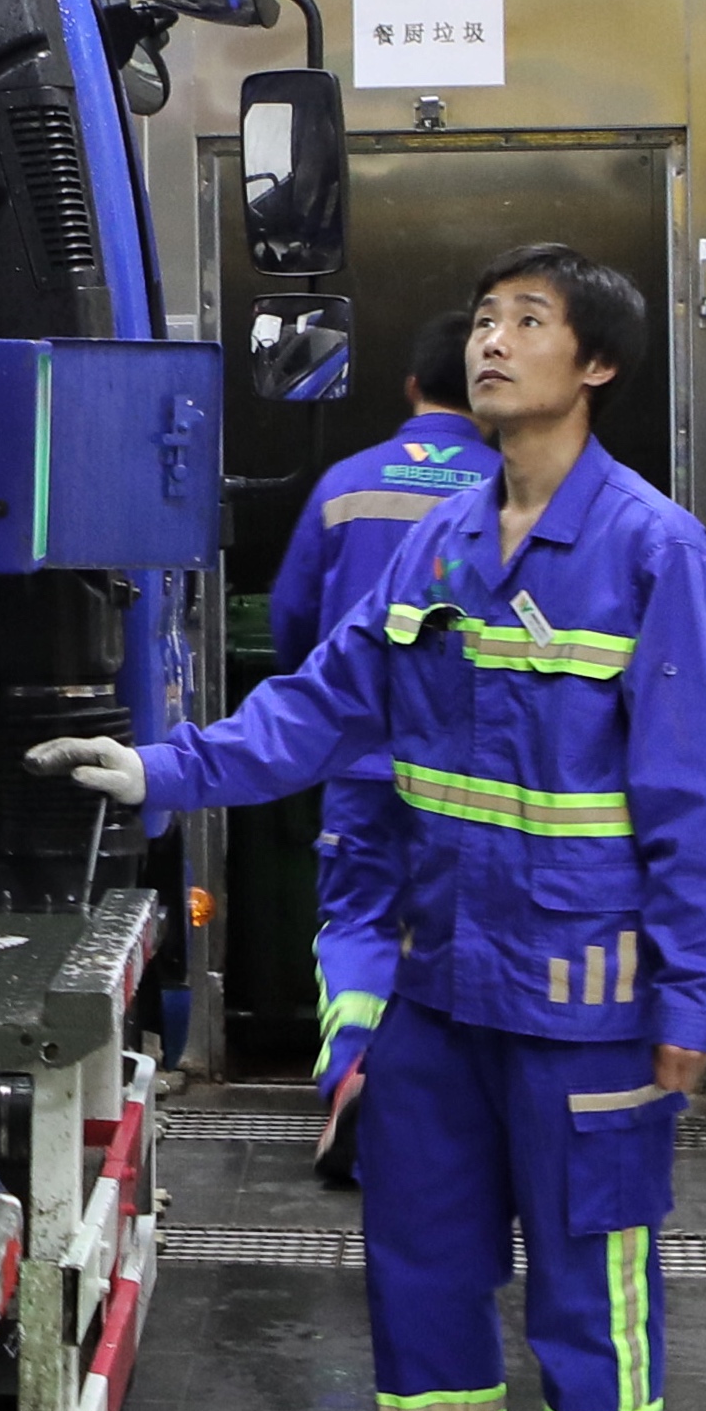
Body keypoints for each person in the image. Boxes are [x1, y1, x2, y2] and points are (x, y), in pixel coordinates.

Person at [32, 241, 706, 1411]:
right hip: (436, 982)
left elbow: (690, 791)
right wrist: (161, 770)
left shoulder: (648, 550)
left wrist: (698, 996)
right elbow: (320, 705)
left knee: (589, 1277)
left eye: (528, 323)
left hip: (585, 1002)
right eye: (484, 321)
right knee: (420, 1258)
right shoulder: (440, 540)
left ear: (593, 365)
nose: (492, 343)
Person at [266, 314, 488, 1190]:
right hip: (472, 769)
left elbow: (291, 619)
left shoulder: (346, 484)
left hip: (360, 760)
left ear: (409, 390)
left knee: (357, 919)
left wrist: (323, 713)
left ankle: (352, 1071)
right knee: (461, 927)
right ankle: (449, 1109)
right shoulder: (512, 488)